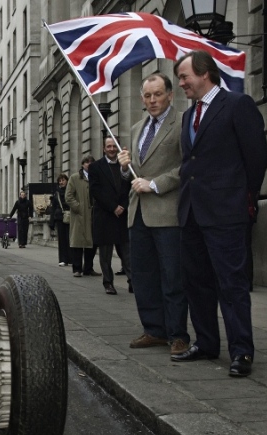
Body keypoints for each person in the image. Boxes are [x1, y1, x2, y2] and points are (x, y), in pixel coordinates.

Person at [171, 50, 267, 378]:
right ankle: (207, 343)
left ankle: (242, 351)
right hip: (192, 214)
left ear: (205, 74)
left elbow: (257, 159)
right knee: (196, 284)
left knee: (231, 284)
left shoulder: (238, 105)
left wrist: (243, 199)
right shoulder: (188, 117)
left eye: (184, 76)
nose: (181, 83)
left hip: (226, 213)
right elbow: (191, 164)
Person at [117, 72, 189, 356]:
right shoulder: (137, 128)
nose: (153, 100)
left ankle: (178, 335)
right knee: (144, 277)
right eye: (147, 96)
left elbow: (187, 166)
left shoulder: (182, 122)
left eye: (158, 94)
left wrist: (156, 184)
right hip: (138, 214)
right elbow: (134, 173)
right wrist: (125, 167)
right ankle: (154, 330)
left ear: (170, 94)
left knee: (172, 277)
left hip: (167, 212)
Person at [89, 136, 131, 295]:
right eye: (109, 146)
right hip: (105, 216)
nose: (112, 149)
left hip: (123, 215)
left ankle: (132, 281)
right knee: (105, 255)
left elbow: (130, 187)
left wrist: (123, 206)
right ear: (104, 148)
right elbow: (95, 191)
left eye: (114, 146)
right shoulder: (95, 167)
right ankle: (108, 283)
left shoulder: (126, 166)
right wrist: (113, 207)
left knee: (127, 253)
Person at [65, 156, 99, 277]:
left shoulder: (96, 177)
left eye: (91, 163)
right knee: (78, 243)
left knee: (92, 243)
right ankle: (77, 269)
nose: (89, 165)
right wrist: (78, 207)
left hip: (94, 214)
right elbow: (68, 196)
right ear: (82, 164)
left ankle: (88, 268)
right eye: (87, 163)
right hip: (79, 215)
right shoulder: (75, 178)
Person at [51, 173, 71, 266]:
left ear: (67, 181)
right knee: (62, 239)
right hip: (60, 218)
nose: (61, 182)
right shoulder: (57, 193)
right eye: (60, 181)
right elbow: (53, 207)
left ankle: (71, 258)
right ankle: (63, 259)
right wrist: (52, 221)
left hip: (71, 217)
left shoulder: (71, 191)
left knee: (71, 238)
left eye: (63, 180)